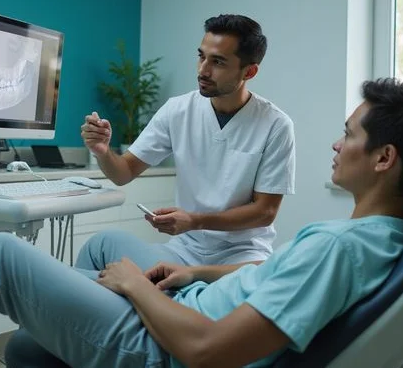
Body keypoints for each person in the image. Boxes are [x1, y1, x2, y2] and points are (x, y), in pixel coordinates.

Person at [0, 78, 403, 368]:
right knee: (113, 240)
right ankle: (64, 328)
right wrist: (195, 268)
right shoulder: (385, 236)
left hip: (168, 347)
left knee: (0, 256)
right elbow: (276, 273)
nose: (335, 145)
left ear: (384, 157)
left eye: (347, 136)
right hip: (196, 296)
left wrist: (138, 289)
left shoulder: (339, 245)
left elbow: (205, 353)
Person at [78, 14, 296, 270]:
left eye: (218, 62)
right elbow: (123, 172)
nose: (203, 69)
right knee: (102, 245)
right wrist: (103, 151)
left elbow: (265, 212)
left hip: (242, 256)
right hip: (182, 251)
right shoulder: (178, 110)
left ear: (249, 71)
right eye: (201, 56)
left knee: (221, 299)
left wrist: (195, 221)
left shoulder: (276, 125)